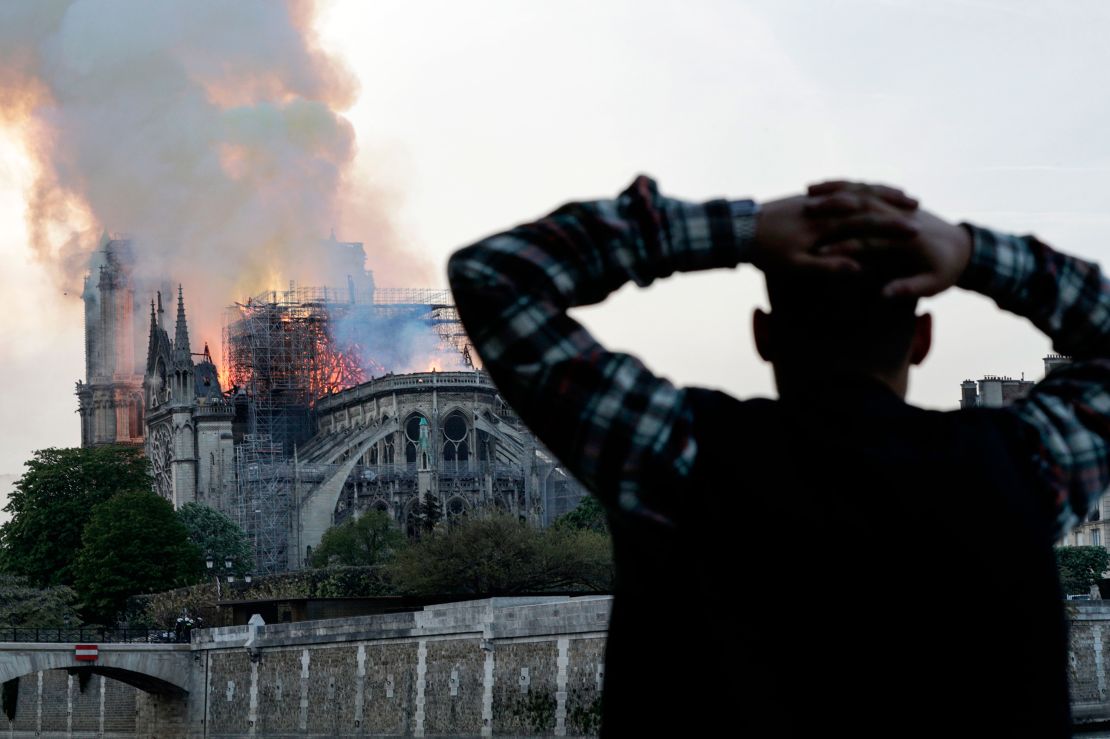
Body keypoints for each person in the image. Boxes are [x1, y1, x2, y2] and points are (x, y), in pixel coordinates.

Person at [447, 176, 1109, 736]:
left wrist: (743, 229)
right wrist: (971, 252)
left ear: (762, 334)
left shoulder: (675, 453)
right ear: (923, 339)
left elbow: (495, 275)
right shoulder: (1023, 469)